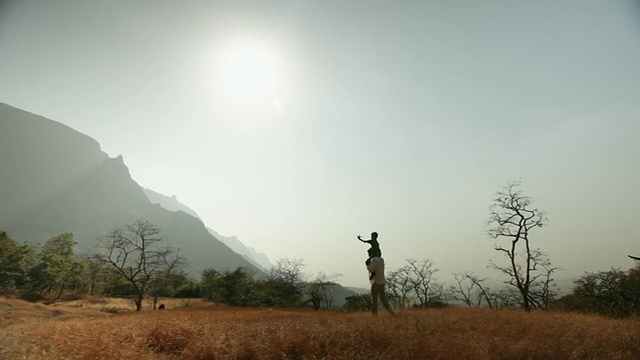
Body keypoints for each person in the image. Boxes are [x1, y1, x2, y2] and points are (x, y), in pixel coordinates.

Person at [366, 248, 395, 316]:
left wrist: (367, 265)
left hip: (375, 282)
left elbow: (371, 269)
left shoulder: (374, 260)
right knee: (383, 299)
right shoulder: (381, 260)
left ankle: (374, 315)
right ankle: (391, 312)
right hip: (382, 281)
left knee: (374, 300)